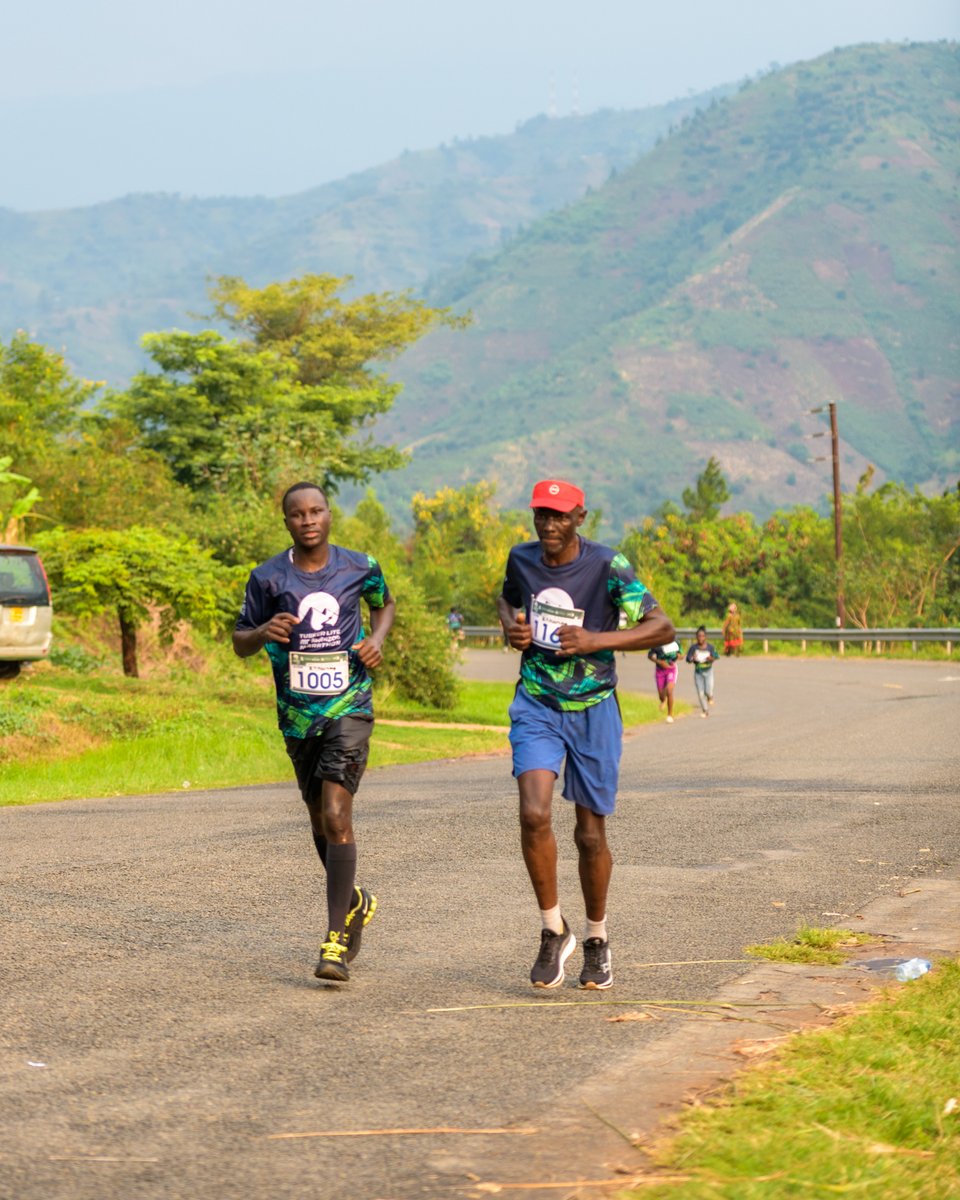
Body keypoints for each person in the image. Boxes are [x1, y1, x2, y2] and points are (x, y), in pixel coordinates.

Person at [497, 478, 675, 991]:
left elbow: (661, 626)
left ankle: (596, 939)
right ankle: (553, 929)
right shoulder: (521, 559)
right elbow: (507, 602)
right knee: (533, 813)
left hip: (594, 707)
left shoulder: (607, 565)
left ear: (580, 517)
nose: (549, 525)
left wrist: (599, 639)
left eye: (559, 516)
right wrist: (513, 626)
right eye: (541, 515)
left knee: (589, 834)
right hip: (537, 702)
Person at [233, 482, 396, 984]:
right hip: (298, 718)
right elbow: (240, 640)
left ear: (329, 515)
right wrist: (264, 632)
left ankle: (334, 941)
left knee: (336, 811)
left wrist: (376, 639)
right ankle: (354, 903)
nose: (308, 520)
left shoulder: (359, 566)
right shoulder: (267, 577)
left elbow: (384, 603)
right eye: (297, 514)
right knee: (320, 824)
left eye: (317, 511)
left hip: (349, 706)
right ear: (286, 521)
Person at [686, 626, 719, 717]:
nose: (701, 638)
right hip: (698, 673)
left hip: (708, 671)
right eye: (699, 636)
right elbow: (688, 659)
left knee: (708, 690)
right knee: (700, 693)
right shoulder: (693, 648)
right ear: (696, 637)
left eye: (702, 636)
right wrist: (693, 659)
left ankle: (710, 696)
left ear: (705, 637)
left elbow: (716, 657)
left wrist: (710, 658)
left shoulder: (710, 647)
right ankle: (705, 710)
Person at [647, 638, 683, 722]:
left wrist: (679, 656)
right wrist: (659, 662)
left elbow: (681, 655)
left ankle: (670, 715)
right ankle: (663, 700)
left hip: (671, 668)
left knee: (669, 690)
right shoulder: (657, 643)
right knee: (661, 696)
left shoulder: (676, 642)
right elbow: (650, 656)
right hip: (660, 670)